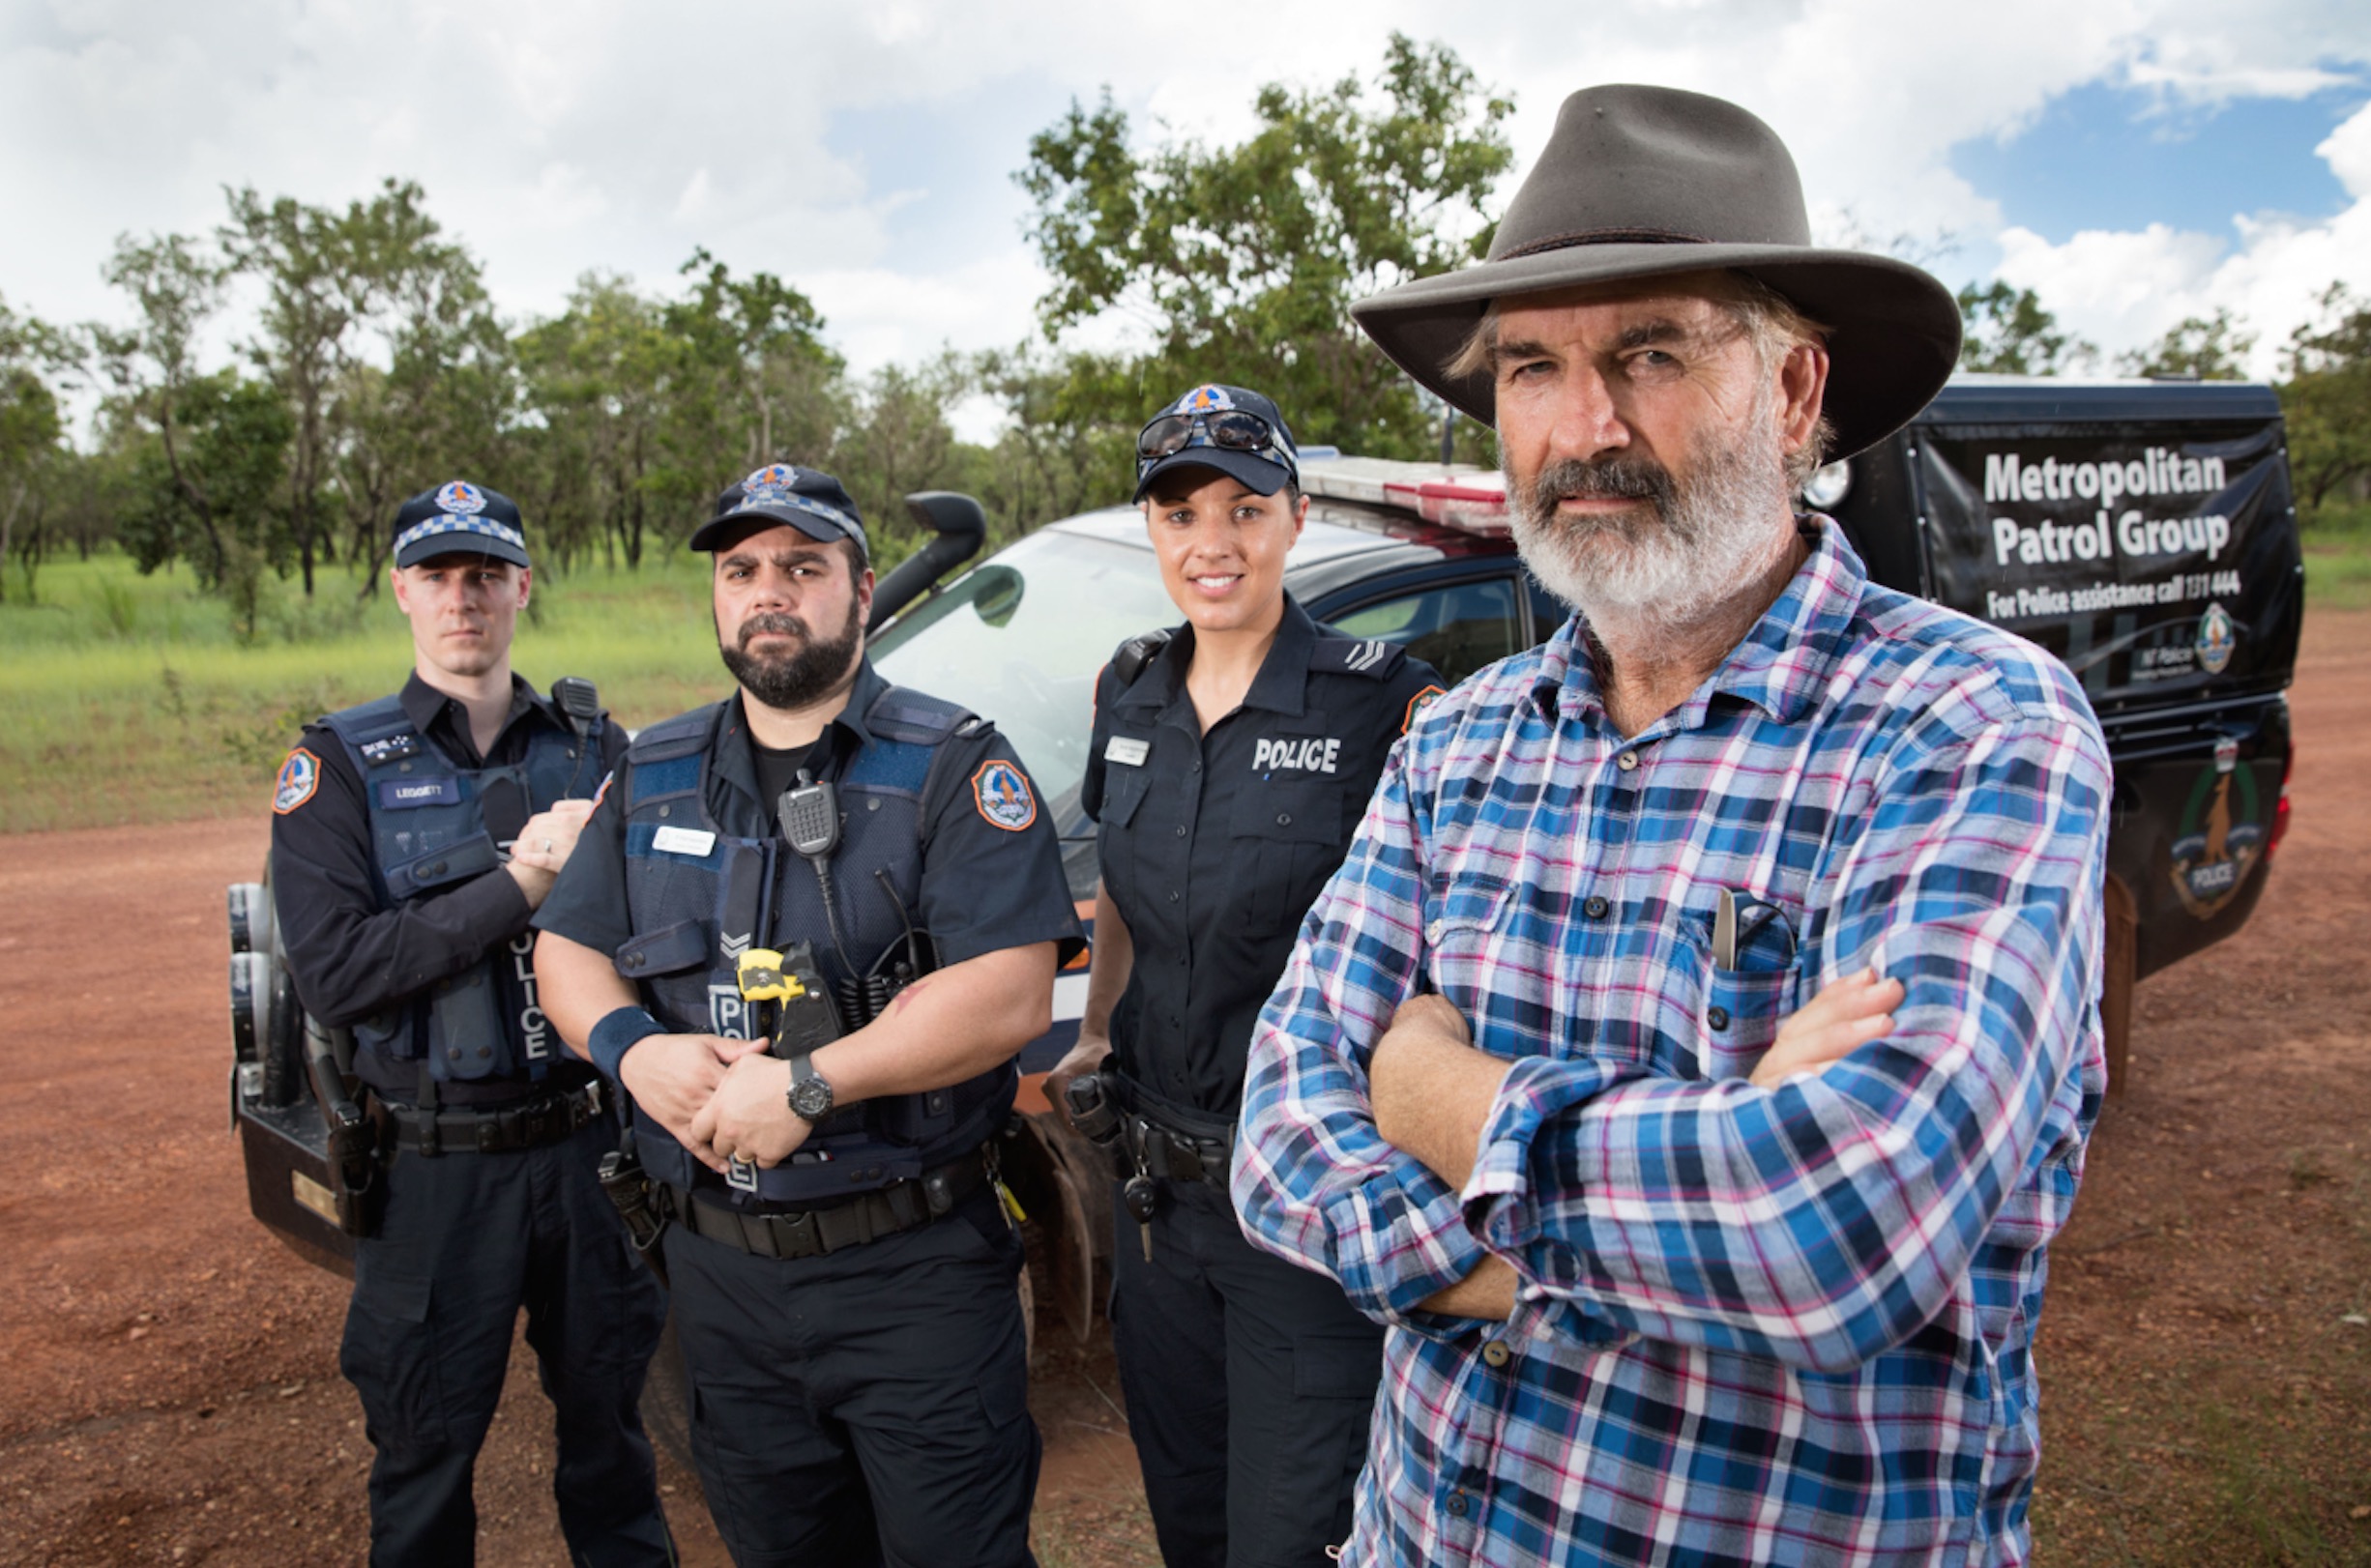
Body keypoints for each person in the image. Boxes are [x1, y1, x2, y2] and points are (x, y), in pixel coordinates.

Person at [1232, 83, 2108, 1565]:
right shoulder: (1458, 738)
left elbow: (1838, 1226)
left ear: (1793, 391)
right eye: (1531, 368)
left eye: (1651, 351)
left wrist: (1437, 1098)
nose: (1585, 429)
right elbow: (1279, 1136)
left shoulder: (1969, 725)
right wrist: (1679, 1187)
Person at [533, 462, 1083, 1568]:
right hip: (722, 1280)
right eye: (740, 569)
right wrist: (632, 1050)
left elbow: (1012, 989)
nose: (766, 589)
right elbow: (568, 946)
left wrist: (809, 1083)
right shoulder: (655, 771)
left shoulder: (950, 763)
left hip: (913, 1273)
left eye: (801, 564)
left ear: (862, 591)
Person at [1041, 384, 1444, 1567]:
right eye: (1178, 512)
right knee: (1192, 1519)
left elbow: (1438, 937)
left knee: (1292, 1534)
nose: (1210, 541)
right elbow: (1120, 871)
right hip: (1157, 1198)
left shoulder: (1381, 699)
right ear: (1150, 531)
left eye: (1241, 507)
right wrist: (1096, 1030)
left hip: (1307, 1204)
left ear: (1294, 517)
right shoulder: (1132, 685)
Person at [269, 480, 671, 1567]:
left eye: (487, 574)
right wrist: (523, 882)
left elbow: (667, 930)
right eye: (439, 575)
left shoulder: (598, 748)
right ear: (401, 590)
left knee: (613, 1443)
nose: (464, 598)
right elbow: (338, 973)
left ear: (522, 587)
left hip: (589, 1154)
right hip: (434, 1172)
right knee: (423, 1456)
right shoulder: (338, 768)